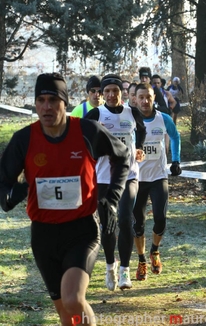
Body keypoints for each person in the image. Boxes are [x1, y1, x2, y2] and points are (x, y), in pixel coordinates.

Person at [0, 72, 130, 326]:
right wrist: (18, 191)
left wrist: (111, 198)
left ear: (65, 104)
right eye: (41, 100)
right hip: (43, 236)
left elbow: (122, 156)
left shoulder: (87, 131)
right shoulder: (24, 140)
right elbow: (3, 184)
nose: (46, 107)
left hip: (81, 230)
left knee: (73, 300)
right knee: (66, 314)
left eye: (53, 100)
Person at [86, 74, 146, 291]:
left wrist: (139, 147)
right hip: (102, 179)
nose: (111, 95)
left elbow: (142, 130)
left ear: (121, 92)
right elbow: (84, 138)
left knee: (125, 219)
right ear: (102, 94)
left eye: (115, 91)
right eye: (107, 91)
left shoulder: (132, 112)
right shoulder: (96, 114)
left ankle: (125, 272)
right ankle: (111, 265)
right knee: (108, 225)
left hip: (129, 175)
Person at [133, 83, 182, 282]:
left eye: (149, 97)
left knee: (160, 218)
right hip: (136, 179)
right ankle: (142, 260)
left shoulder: (164, 118)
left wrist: (176, 160)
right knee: (138, 224)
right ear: (135, 99)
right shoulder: (129, 119)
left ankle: (155, 251)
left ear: (154, 98)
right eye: (141, 97)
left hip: (158, 176)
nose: (145, 101)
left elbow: (175, 136)